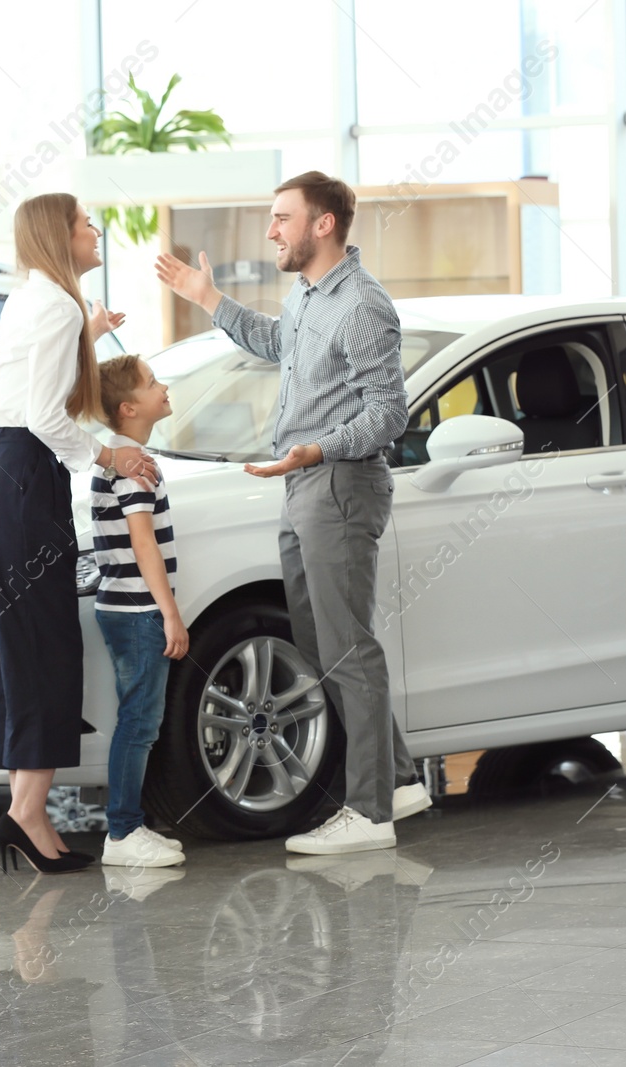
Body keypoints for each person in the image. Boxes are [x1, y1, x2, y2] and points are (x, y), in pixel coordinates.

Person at [154, 170, 430, 857]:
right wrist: (209, 299)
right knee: (319, 641)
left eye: (282, 218)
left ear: (323, 224)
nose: (271, 230)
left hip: (337, 485)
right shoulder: (309, 295)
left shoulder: (363, 306)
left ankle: (368, 813)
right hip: (303, 486)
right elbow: (281, 344)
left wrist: (315, 448)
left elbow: (389, 413)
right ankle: (394, 779)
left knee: (347, 646)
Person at [0, 191, 151, 875]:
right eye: (84, 223)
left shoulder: (34, 298)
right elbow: (43, 411)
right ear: (58, 234)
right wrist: (109, 452)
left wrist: (88, 335)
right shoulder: (57, 304)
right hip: (20, 475)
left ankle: (26, 809)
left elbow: (20, 386)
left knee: (9, 646)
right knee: (41, 645)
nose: (95, 230)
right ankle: (26, 811)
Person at [90, 355, 187, 870]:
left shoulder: (125, 457)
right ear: (129, 407)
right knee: (139, 723)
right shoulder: (133, 467)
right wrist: (169, 613)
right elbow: (143, 544)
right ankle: (123, 833)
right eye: (153, 383)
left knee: (139, 719)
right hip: (138, 610)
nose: (163, 386)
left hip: (126, 607)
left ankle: (130, 826)